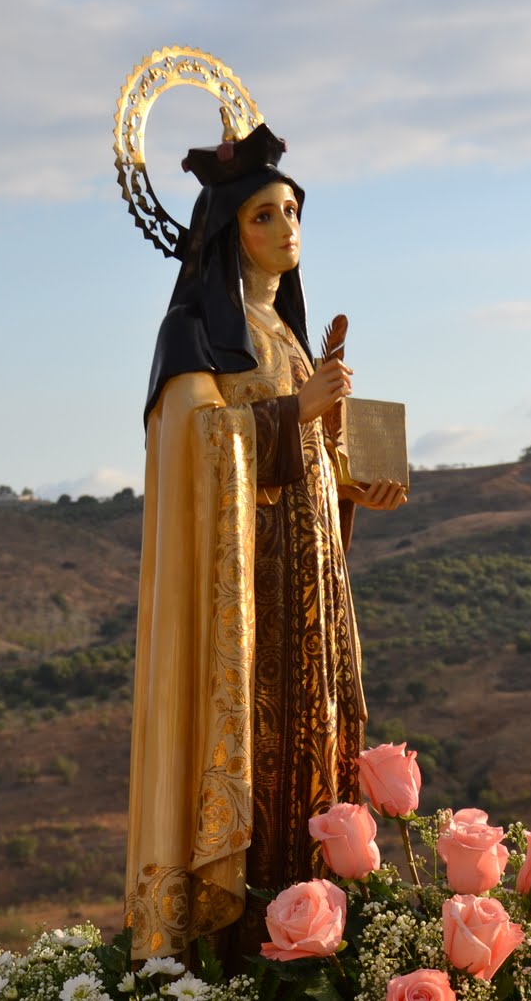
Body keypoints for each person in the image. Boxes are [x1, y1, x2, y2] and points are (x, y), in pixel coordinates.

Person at [123, 123, 405, 962]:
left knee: (315, 743)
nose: (287, 229)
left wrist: (354, 481)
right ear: (226, 233)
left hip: (309, 594)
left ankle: (313, 927)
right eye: (265, 216)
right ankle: (244, 939)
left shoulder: (283, 333)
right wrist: (295, 413)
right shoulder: (194, 335)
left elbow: (308, 460)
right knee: (259, 748)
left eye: (293, 213)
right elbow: (194, 448)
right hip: (244, 605)